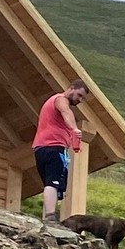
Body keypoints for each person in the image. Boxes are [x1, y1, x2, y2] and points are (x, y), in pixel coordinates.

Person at [31, 81, 89, 224]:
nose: (79, 100)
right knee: (53, 181)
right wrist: (74, 129)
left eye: (82, 98)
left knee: (50, 183)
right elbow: (66, 112)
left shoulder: (51, 102)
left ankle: (47, 216)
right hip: (53, 147)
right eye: (79, 95)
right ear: (71, 89)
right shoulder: (60, 99)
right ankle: (50, 216)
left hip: (40, 147)